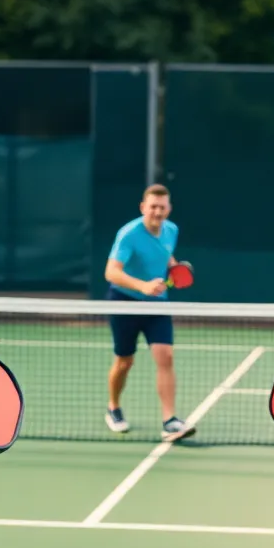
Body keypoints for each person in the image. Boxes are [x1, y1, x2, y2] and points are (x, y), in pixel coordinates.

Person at [102, 183, 194, 442]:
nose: (157, 212)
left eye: (162, 207)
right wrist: (143, 285)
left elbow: (165, 255)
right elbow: (111, 272)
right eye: (153, 206)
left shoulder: (171, 230)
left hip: (157, 304)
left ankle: (170, 420)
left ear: (169, 209)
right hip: (124, 302)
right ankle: (113, 407)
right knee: (124, 362)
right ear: (143, 207)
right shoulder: (129, 234)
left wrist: (175, 268)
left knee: (165, 356)